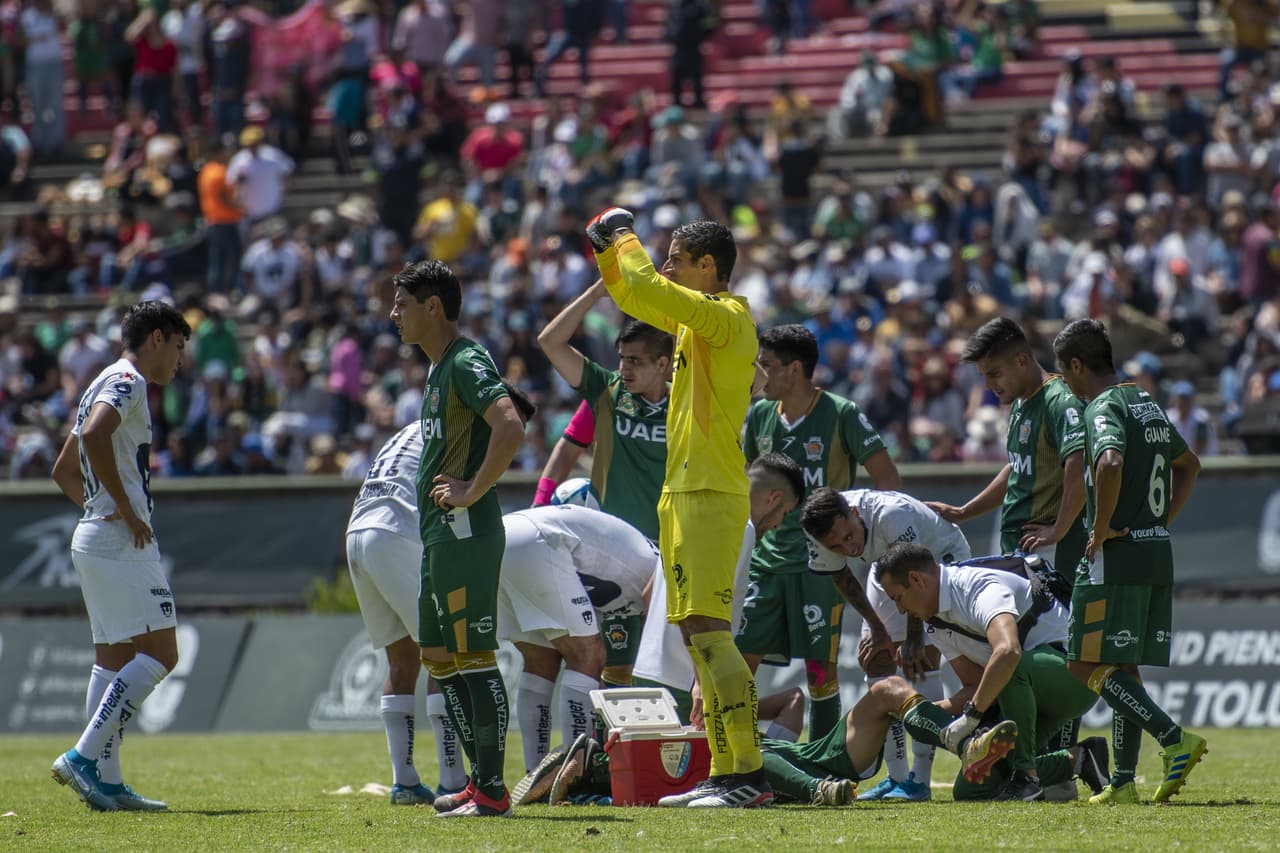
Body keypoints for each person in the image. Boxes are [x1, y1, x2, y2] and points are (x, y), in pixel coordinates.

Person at [587, 210, 768, 808]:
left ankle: (746, 774)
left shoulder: (726, 317)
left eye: (676, 258)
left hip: (712, 494)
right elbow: (631, 291)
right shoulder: (697, 325)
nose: (665, 267)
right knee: (698, 640)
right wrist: (609, 254)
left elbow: (646, 286)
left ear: (708, 268)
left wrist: (623, 234)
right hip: (686, 493)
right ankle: (723, 771)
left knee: (714, 639)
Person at [390, 259, 528, 818]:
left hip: (464, 530)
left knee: (473, 657)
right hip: (437, 534)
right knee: (437, 656)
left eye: (402, 303)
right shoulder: (437, 368)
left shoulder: (466, 361)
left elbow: (511, 424)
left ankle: (493, 789)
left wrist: (472, 488)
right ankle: (479, 780)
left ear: (433, 307)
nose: (393, 313)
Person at [1052, 318, 1206, 804]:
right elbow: (1190, 465)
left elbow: (1111, 462)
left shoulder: (1103, 406)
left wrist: (1098, 530)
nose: (1067, 384)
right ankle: (1121, 783)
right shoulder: (1146, 402)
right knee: (1123, 665)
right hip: (1154, 550)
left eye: (1064, 373)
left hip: (1114, 557)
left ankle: (1173, 738)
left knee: (1082, 663)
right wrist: (1160, 521)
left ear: (1076, 366)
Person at [48, 301, 193, 812]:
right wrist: (126, 510)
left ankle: (105, 782)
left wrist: (98, 506)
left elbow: (64, 469)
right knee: (162, 654)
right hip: (119, 542)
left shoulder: (99, 381)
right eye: (177, 347)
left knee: (112, 659)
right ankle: (85, 758)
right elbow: (92, 436)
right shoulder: (128, 381)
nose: (179, 360)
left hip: (93, 537)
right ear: (156, 338)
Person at [740, 323, 901, 744]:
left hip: (821, 566)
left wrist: (861, 542)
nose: (759, 373)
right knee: (739, 662)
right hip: (766, 562)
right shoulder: (758, 415)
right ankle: (727, 757)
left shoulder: (841, 413)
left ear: (795, 370)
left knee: (821, 671)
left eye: (767, 365)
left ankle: (825, 762)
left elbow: (887, 478)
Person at [874, 544, 1107, 802]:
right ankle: (1080, 758)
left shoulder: (976, 586)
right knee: (972, 789)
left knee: (1005, 665)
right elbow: (976, 686)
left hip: (1075, 679)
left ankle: (1027, 778)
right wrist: (930, 714)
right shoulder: (934, 622)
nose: (900, 610)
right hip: (1022, 694)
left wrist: (971, 717)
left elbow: (1008, 653)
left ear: (916, 580)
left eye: (897, 597)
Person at [538, 279, 674, 687]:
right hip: (612, 552)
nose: (624, 368)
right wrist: (594, 294)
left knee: (656, 671)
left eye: (635, 361)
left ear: (664, 364)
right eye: (621, 359)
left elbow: (753, 382)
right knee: (608, 667)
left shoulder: (689, 403)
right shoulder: (607, 391)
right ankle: (599, 752)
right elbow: (550, 342)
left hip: (665, 552)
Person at [798, 486, 971, 802]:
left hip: (937, 561)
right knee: (875, 658)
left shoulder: (891, 515)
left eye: (849, 536)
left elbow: (913, 578)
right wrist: (878, 630)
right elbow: (842, 578)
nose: (848, 548)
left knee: (920, 660)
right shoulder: (820, 533)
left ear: (855, 513)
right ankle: (897, 777)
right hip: (887, 567)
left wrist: (915, 637)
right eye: (835, 545)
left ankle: (920, 780)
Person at [345, 423, 467, 806]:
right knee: (443, 654)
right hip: (396, 531)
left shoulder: (413, 426)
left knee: (400, 660)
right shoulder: (461, 423)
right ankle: (452, 780)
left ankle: (406, 782)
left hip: (358, 531)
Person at [632, 453, 805, 723]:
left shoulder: (691, 508)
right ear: (772, 498)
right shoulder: (739, 527)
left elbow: (648, 594)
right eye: (784, 513)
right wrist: (702, 680)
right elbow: (705, 608)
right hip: (686, 684)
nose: (777, 525)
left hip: (646, 670)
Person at [500, 503, 657, 772]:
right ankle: (575, 771)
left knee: (541, 659)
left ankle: (536, 772)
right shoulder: (661, 565)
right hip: (539, 541)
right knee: (588, 655)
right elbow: (652, 604)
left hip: (504, 537)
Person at [927, 317, 1087, 576]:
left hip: (1050, 553)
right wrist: (963, 512)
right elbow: (1016, 470)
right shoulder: (1020, 403)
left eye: (994, 374)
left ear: (1021, 360)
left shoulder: (1060, 402)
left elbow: (1078, 466)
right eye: (983, 376)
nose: (988, 386)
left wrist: (1058, 529)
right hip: (1019, 550)